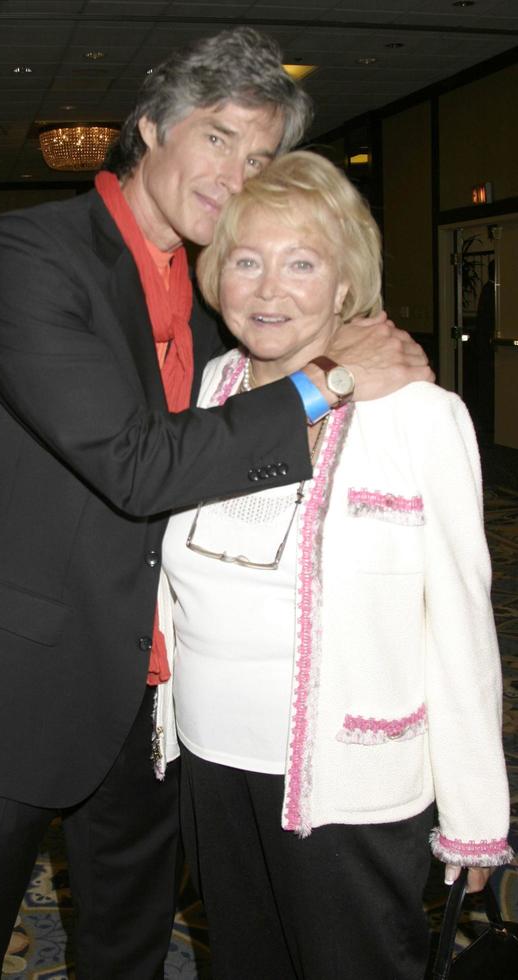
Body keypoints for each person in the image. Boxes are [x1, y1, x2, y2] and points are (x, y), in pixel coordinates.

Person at [0, 28, 432, 980]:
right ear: (149, 128)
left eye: (261, 154)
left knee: (129, 951)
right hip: (16, 676)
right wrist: (325, 380)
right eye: (218, 137)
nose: (238, 174)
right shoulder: (28, 253)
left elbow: (212, 455)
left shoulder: (214, 290)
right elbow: (136, 463)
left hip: (153, 696)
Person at [151, 150, 513, 979]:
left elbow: (459, 623)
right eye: (246, 260)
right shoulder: (210, 386)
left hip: (351, 780)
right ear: (216, 275)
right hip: (211, 760)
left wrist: (475, 813)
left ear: (347, 282)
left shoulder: (422, 417)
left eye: (301, 263)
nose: (268, 290)